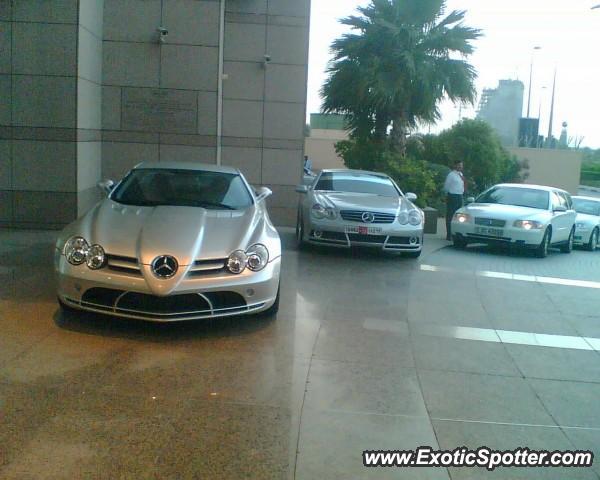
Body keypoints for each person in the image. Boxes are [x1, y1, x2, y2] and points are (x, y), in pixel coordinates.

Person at [443, 161, 466, 241]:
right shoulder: (451, 175)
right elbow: (446, 186)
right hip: (452, 196)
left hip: (460, 196)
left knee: (458, 216)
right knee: (450, 215)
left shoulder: (461, 175)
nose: (460, 167)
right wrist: (448, 195)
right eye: (459, 165)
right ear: (455, 165)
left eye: (461, 165)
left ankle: (456, 234)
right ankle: (449, 234)